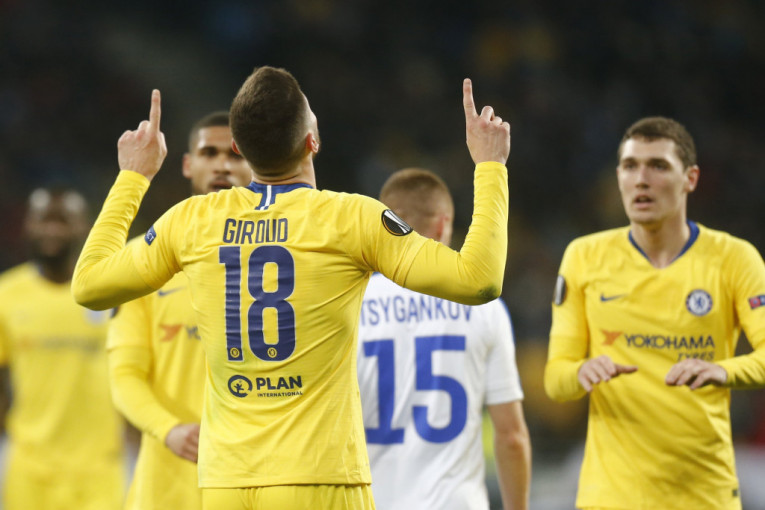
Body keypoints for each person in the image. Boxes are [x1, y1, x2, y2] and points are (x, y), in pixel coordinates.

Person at [71, 65, 510, 510]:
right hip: (318, 478)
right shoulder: (350, 219)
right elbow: (478, 280)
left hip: (226, 483)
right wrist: (490, 165)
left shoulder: (191, 221)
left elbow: (88, 285)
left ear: (239, 148)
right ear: (312, 141)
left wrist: (133, 176)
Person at [544, 116, 765, 510]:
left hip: (704, 496)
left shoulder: (735, 258)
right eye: (630, 166)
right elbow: (555, 378)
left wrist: (723, 370)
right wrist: (579, 373)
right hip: (610, 498)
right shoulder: (584, 256)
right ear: (618, 177)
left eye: (658, 166)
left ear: (690, 179)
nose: (641, 179)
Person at [357, 168, 531, 510]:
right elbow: (511, 436)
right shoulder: (484, 307)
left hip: (371, 501)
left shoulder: (351, 304)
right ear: (442, 224)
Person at [107, 111, 253, 510]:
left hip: (252, 481)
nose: (222, 165)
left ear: (256, 165)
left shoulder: (282, 263)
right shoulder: (144, 260)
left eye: (236, 154)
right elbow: (124, 375)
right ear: (188, 164)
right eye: (209, 153)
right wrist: (168, 429)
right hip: (166, 491)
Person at [0, 187, 125, 510]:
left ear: (85, 226)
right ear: (28, 225)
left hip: (99, 469)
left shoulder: (112, 293)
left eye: (63, 221)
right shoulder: (6, 295)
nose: (52, 230)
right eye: (44, 220)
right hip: (30, 469)